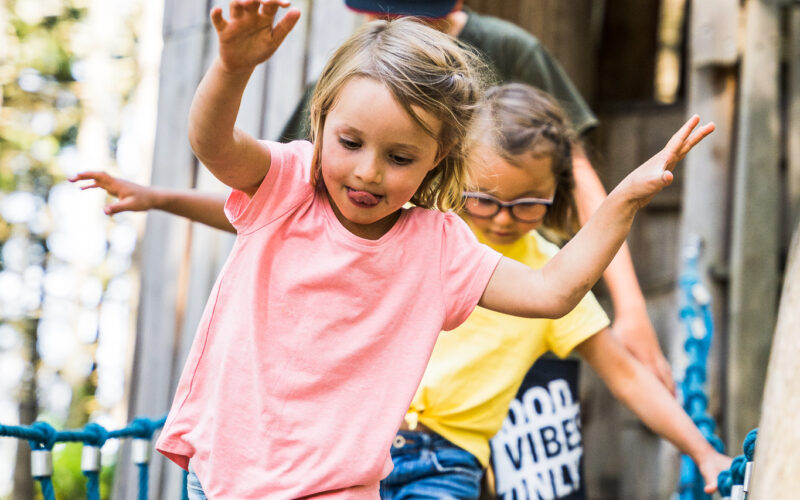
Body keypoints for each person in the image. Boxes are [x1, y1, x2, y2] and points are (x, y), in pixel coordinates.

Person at [78, 2, 716, 498]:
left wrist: (622, 202)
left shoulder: (438, 245)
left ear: (441, 161)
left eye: (401, 157)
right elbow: (214, 146)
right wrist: (233, 67)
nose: (367, 173)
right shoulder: (289, 186)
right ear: (321, 121)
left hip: (345, 482)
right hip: (229, 470)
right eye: (350, 142)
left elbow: (554, 292)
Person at [279, 0, 676, 395]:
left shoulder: (508, 50)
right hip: (420, 310)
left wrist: (630, 308)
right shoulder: (359, 69)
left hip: (517, 300)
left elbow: (577, 170)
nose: (387, 24)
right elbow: (291, 196)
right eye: (375, 12)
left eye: (410, 16)